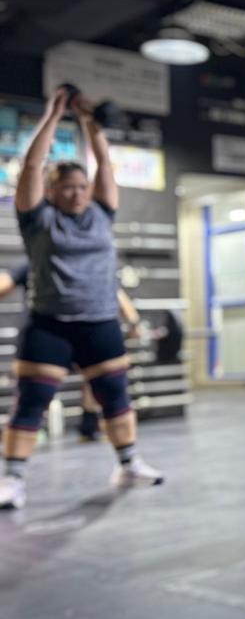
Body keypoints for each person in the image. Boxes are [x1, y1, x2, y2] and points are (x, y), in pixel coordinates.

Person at [0, 88, 163, 511]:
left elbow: (105, 163)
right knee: (31, 402)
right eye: (66, 188)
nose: (76, 193)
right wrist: (54, 115)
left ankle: (128, 464)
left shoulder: (102, 214)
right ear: (51, 191)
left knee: (115, 397)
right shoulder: (38, 219)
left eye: (81, 186)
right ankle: (12, 480)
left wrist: (88, 121)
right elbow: (32, 165)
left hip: (100, 322)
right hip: (49, 325)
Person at [0, 264, 145, 442]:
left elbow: (117, 294)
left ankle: (89, 426)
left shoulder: (81, 264)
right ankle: (42, 429)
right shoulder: (40, 263)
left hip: (61, 333)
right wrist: (134, 322)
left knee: (93, 382)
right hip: (55, 334)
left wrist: (134, 322)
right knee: (39, 390)